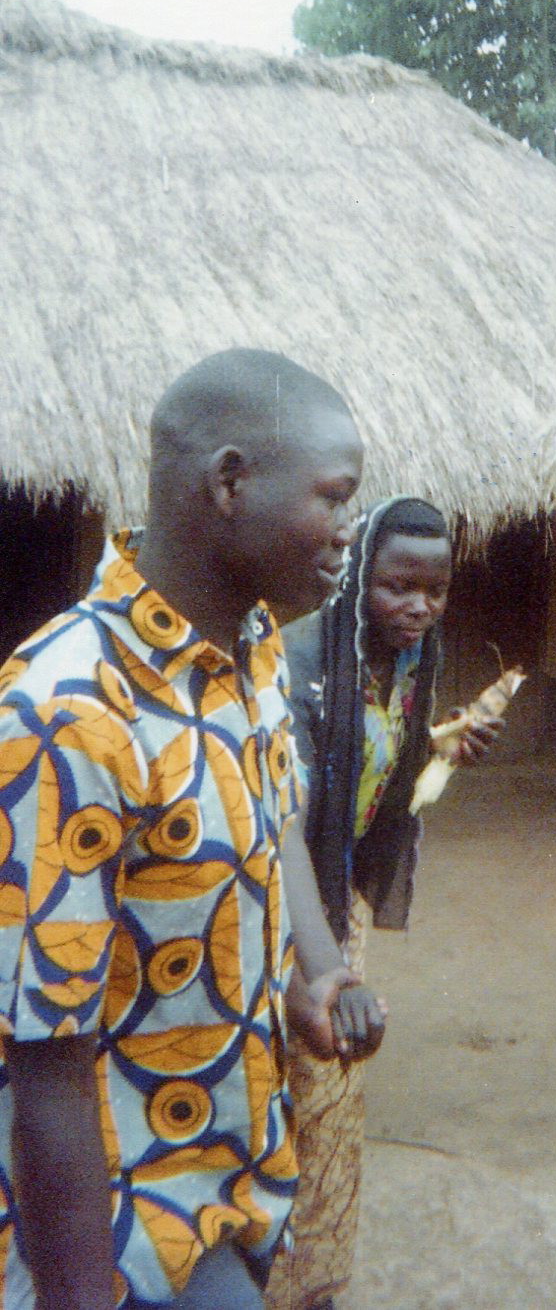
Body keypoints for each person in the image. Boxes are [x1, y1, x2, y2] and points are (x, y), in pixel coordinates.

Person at [0, 348, 386, 1310]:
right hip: (122, 1222)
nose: (349, 533)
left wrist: (314, 968)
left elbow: (274, 822)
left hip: (236, 1178)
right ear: (229, 482)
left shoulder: (248, 651)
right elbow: (44, 1057)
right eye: (334, 499)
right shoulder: (67, 713)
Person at [265, 498, 499, 1310]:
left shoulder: (407, 669)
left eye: (435, 590)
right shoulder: (297, 664)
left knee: (330, 1106)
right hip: (272, 917)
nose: (420, 607)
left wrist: (440, 745)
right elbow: (282, 810)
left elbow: (371, 767)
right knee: (274, 1104)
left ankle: (310, 1282)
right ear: (362, 579)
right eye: (399, 586)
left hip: (339, 913)